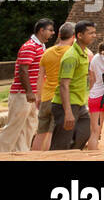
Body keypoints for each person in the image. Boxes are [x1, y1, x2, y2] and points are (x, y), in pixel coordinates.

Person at [0, 18, 55, 152]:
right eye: (50, 30)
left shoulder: (40, 47)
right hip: (22, 94)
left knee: (29, 126)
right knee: (14, 126)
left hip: (30, 94)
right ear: (41, 30)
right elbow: (22, 70)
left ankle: (21, 153)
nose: (53, 33)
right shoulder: (29, 46)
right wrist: (29, 91)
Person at [52, 20, 96, 150]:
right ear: (79, 35)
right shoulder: (71, 56)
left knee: (85, 132)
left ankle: (71, 154)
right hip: (66, 104)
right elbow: (64, 85)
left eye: (94, 33)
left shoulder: (84, 52)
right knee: (61, 144)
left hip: (79, 103)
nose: (94, 35)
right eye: (90, 33)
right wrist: (68, 112)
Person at [33, 23, 75, 151]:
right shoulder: (72, 53)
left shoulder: (47, 52)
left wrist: (38, 97)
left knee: (40, 133)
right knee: (52, 134)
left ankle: (31, 158)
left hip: (46, 97)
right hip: (59, 99)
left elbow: (40, 77)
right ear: (73, 36)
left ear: (59, 35)